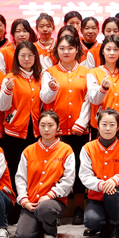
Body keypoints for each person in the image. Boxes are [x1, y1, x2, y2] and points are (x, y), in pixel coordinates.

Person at [40, 34, 91, 225]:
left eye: (70, 48)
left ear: (77, 50)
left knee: (78, 168)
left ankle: (78, 208)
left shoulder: (87, 72)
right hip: (56, 131)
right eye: (62, 48)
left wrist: (82, 122)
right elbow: (45, 98)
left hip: (79, 130)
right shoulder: (49, 72)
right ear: (57, 51)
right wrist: (52, 89)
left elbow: (89, 100)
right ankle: (53, 208)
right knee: (55, 169)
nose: (66, 52)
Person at [0, 40, 43, 224]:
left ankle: (33, 207)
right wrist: (7, 91)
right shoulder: (10, 78)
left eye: (30, 55)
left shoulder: (40, 78)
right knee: (15, 170)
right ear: (17, 58)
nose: (26, 59)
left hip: (35, 131)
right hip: (15, 132)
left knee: (34, 170)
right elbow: (1, 105)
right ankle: (15, 207)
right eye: (23, 55)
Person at [15, 110, 76, 238]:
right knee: (23, 237)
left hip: (53, 202)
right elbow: (20, 178)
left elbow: (68, 181)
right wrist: (24, 201)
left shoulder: (66, 150)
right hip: (31, 202)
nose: (46, 129)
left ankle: (50, 229)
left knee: (45, 209)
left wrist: (49, 195)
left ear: (58, 127)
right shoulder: (28, 150)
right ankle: (38, 225)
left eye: (50, 125)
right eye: (42, 125)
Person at [79, 109, 119, 238]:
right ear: (98, 126)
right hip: (97, 198)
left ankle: (115, 228)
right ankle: (105, 224)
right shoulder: (88, 148)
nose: (108, 128)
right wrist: (102, 185)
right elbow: (85, 176)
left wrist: (115, 180)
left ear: (118, 127)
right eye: (104, 124)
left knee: (113, 193)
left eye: (112, 124)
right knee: (91, 221)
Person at [85, 35, 119, 140]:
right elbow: (94, 99)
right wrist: (103, 89)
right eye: (108, 49)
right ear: (102, 51)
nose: (112, 53)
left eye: (116, 49)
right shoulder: (93, 73)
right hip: (100, 124)